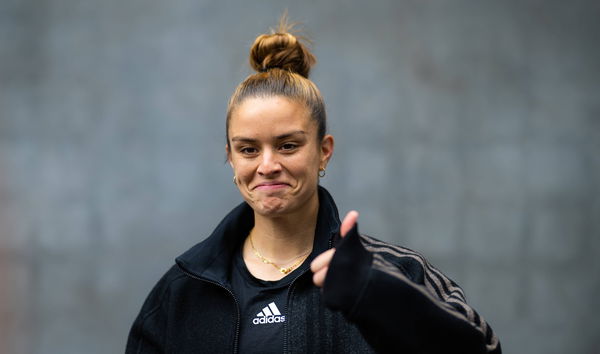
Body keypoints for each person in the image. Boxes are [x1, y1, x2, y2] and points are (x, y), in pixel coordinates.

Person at [126, 16, 501, 354]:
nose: (267, 165)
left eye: (288, 145)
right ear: (231, 157)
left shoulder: (396, 273)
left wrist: (382, 298)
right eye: (248, 149)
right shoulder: (183, 290)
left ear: (324, 151)